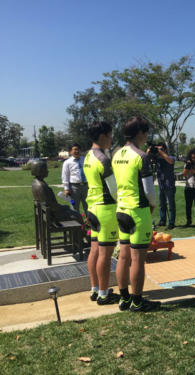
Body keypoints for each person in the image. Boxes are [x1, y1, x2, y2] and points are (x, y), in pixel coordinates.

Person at [112, 117, 160, 312]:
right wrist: (153, 205)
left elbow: (114, 186)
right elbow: (149, 190)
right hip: (138, 211)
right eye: (146, 132)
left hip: (121, 209)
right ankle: (138, 301)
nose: (147, 136)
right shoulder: (141, 156)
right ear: (139, 133)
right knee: (138, 258)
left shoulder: (116, 154)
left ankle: (124, 298)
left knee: (123, 257)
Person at [83, 121, 120, 305]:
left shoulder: (88, 156)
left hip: (92, 207)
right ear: (103, 136)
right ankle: (104, 294)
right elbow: (114, 190)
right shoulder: (104, 159)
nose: (112, 139)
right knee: (105, 253)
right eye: (110, 135)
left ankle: (95, 289)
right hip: (105, 208)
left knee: (95, 250)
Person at [31, 160, 83, 225]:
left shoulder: (35, 183)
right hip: (54, 216)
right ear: (40, 171)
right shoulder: (41, 186)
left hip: (49, 213)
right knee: (77, 215)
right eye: (45, 169)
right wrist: (64, 207)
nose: (48, 171)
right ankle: (79, 234)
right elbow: (52, 206)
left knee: (73, 212)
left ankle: (78, 234)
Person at [149, 142, 176, 229]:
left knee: (171, 204)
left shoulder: (171, 157)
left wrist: (161, 152)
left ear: (165, 150)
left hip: (169, 185)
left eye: (161, 149)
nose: (159, 151)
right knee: (162, 204)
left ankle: (171, 222)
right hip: (161, 185)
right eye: (159, 149)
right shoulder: (157, 159)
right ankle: (162, 220)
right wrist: (149, 150)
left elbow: (170, 161)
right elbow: (146, 159)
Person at [61, 143, 88, 214]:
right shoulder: (67, 162)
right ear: (70, 151)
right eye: (75, 149)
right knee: (74, 207)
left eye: (78, 149)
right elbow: (65, 176)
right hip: (74, 187)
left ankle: (90, 223)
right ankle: (78, 223)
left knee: (88, 206)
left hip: (86, 186)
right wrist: (66, 189)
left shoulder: (85, 160)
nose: (77, 151)